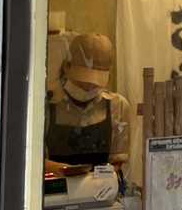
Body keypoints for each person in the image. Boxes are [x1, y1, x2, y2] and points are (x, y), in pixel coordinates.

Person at [44, 32, 133, 178]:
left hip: (102, 187)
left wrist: (95, 178)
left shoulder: (118, 106)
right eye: (83, 80)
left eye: (96, 82)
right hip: (56, 188)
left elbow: (118, 161)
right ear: (67, 67)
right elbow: (34, 160)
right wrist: (65, 170)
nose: (89, 86)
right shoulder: (47, 107)